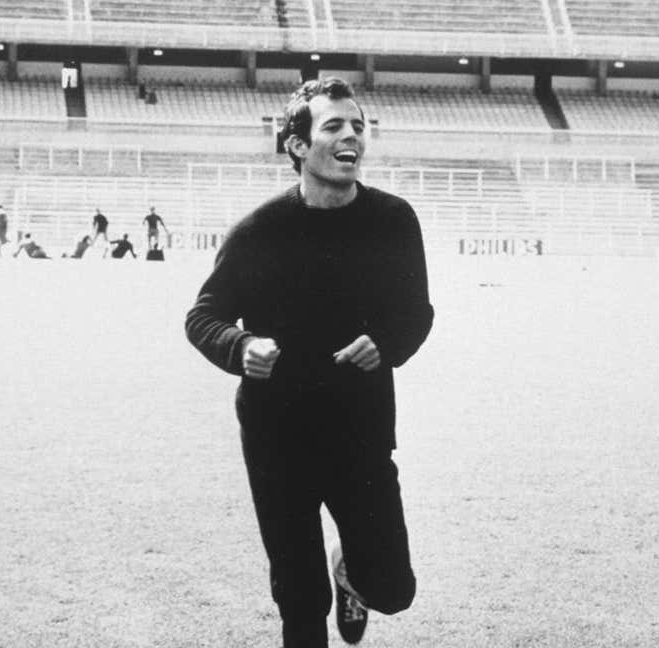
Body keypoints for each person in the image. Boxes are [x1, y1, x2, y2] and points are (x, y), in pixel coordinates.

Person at [184, 77, 433, 648]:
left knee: (393, 589)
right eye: (334, 126)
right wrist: (240, 347)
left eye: (359, 125)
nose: (352, 137)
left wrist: (386, 343)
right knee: (299, 602)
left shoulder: (393, 221)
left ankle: (351, 572)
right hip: (278, 436)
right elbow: (204, 316)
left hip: (361, 431)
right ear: (297, 146)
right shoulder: (259, 231)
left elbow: (416, 312)